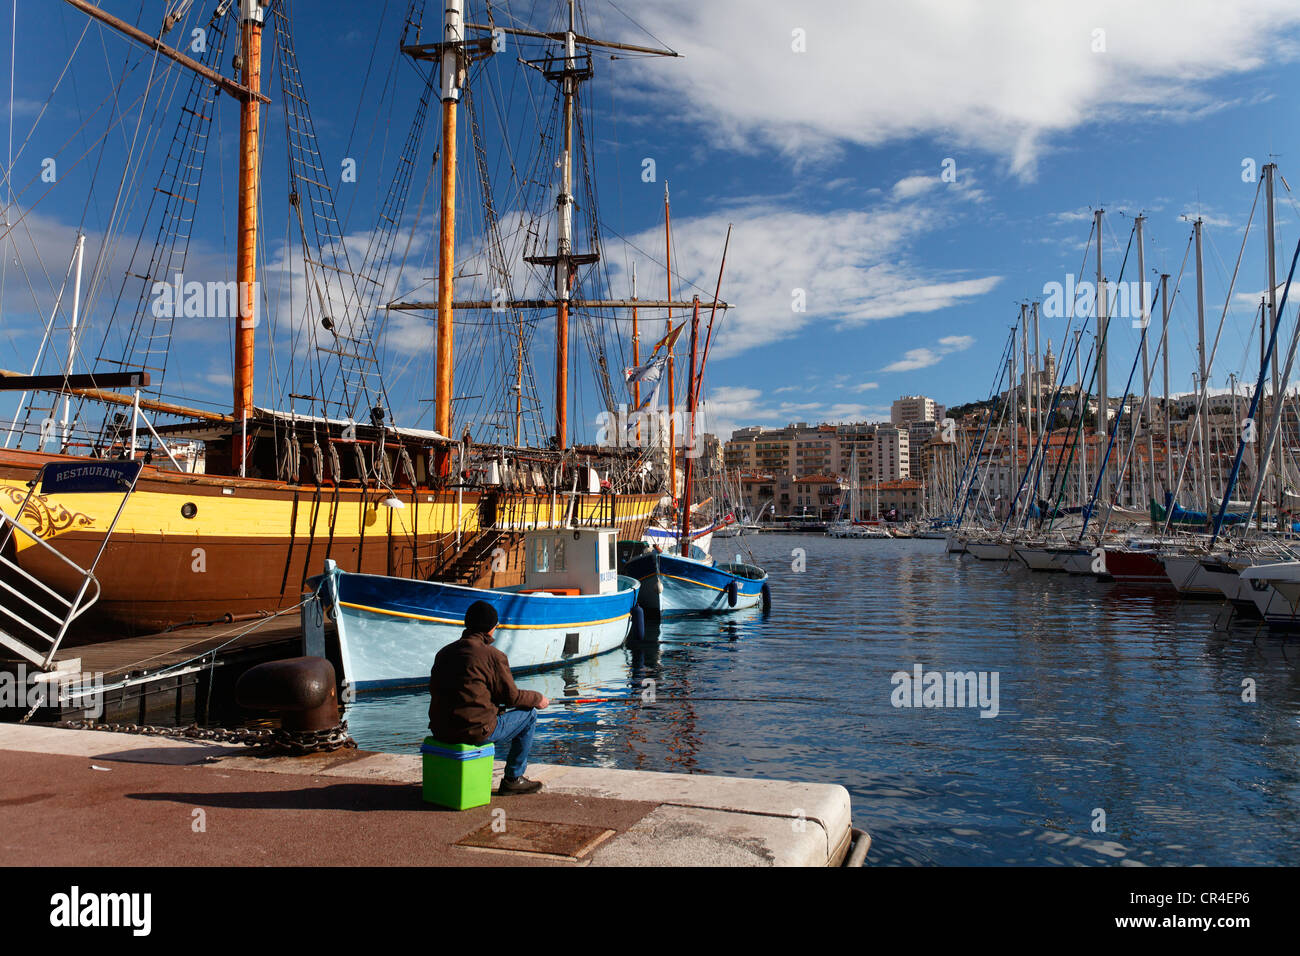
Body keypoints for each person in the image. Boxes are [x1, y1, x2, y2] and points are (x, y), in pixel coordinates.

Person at [428, 600, 551, 795]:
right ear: (492, 628)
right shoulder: (493, 655)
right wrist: (538, 698)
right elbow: (511, 697)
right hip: (474, 731)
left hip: (440, 729)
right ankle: (513, 778)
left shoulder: (444, 652)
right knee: (529, 715)